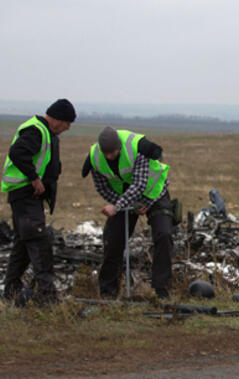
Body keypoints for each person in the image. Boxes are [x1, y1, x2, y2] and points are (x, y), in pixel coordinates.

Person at [81, 127, 173, 298]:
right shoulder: (94, 158)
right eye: (105, 153)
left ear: (120, 148)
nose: (109, 157)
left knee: (164, 234)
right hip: (124, 197)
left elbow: (140, 183)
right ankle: (108, 292)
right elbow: (102, 187)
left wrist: (124, 206)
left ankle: (161, 291)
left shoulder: (139, 149)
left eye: (113, 153)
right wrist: (123, 204)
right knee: (112, 239)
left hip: (154, 192)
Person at [2, 98, 76, 303]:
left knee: (22, 243)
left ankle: (11, 291)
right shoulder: (36, 130)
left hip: (27, 197)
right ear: (58, 119)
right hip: (25, 195)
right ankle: (47, 296)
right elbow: (17, 153)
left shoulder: (46, 133)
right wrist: (34, 179)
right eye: (67, 124)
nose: (67, 128)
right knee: (38, 239)